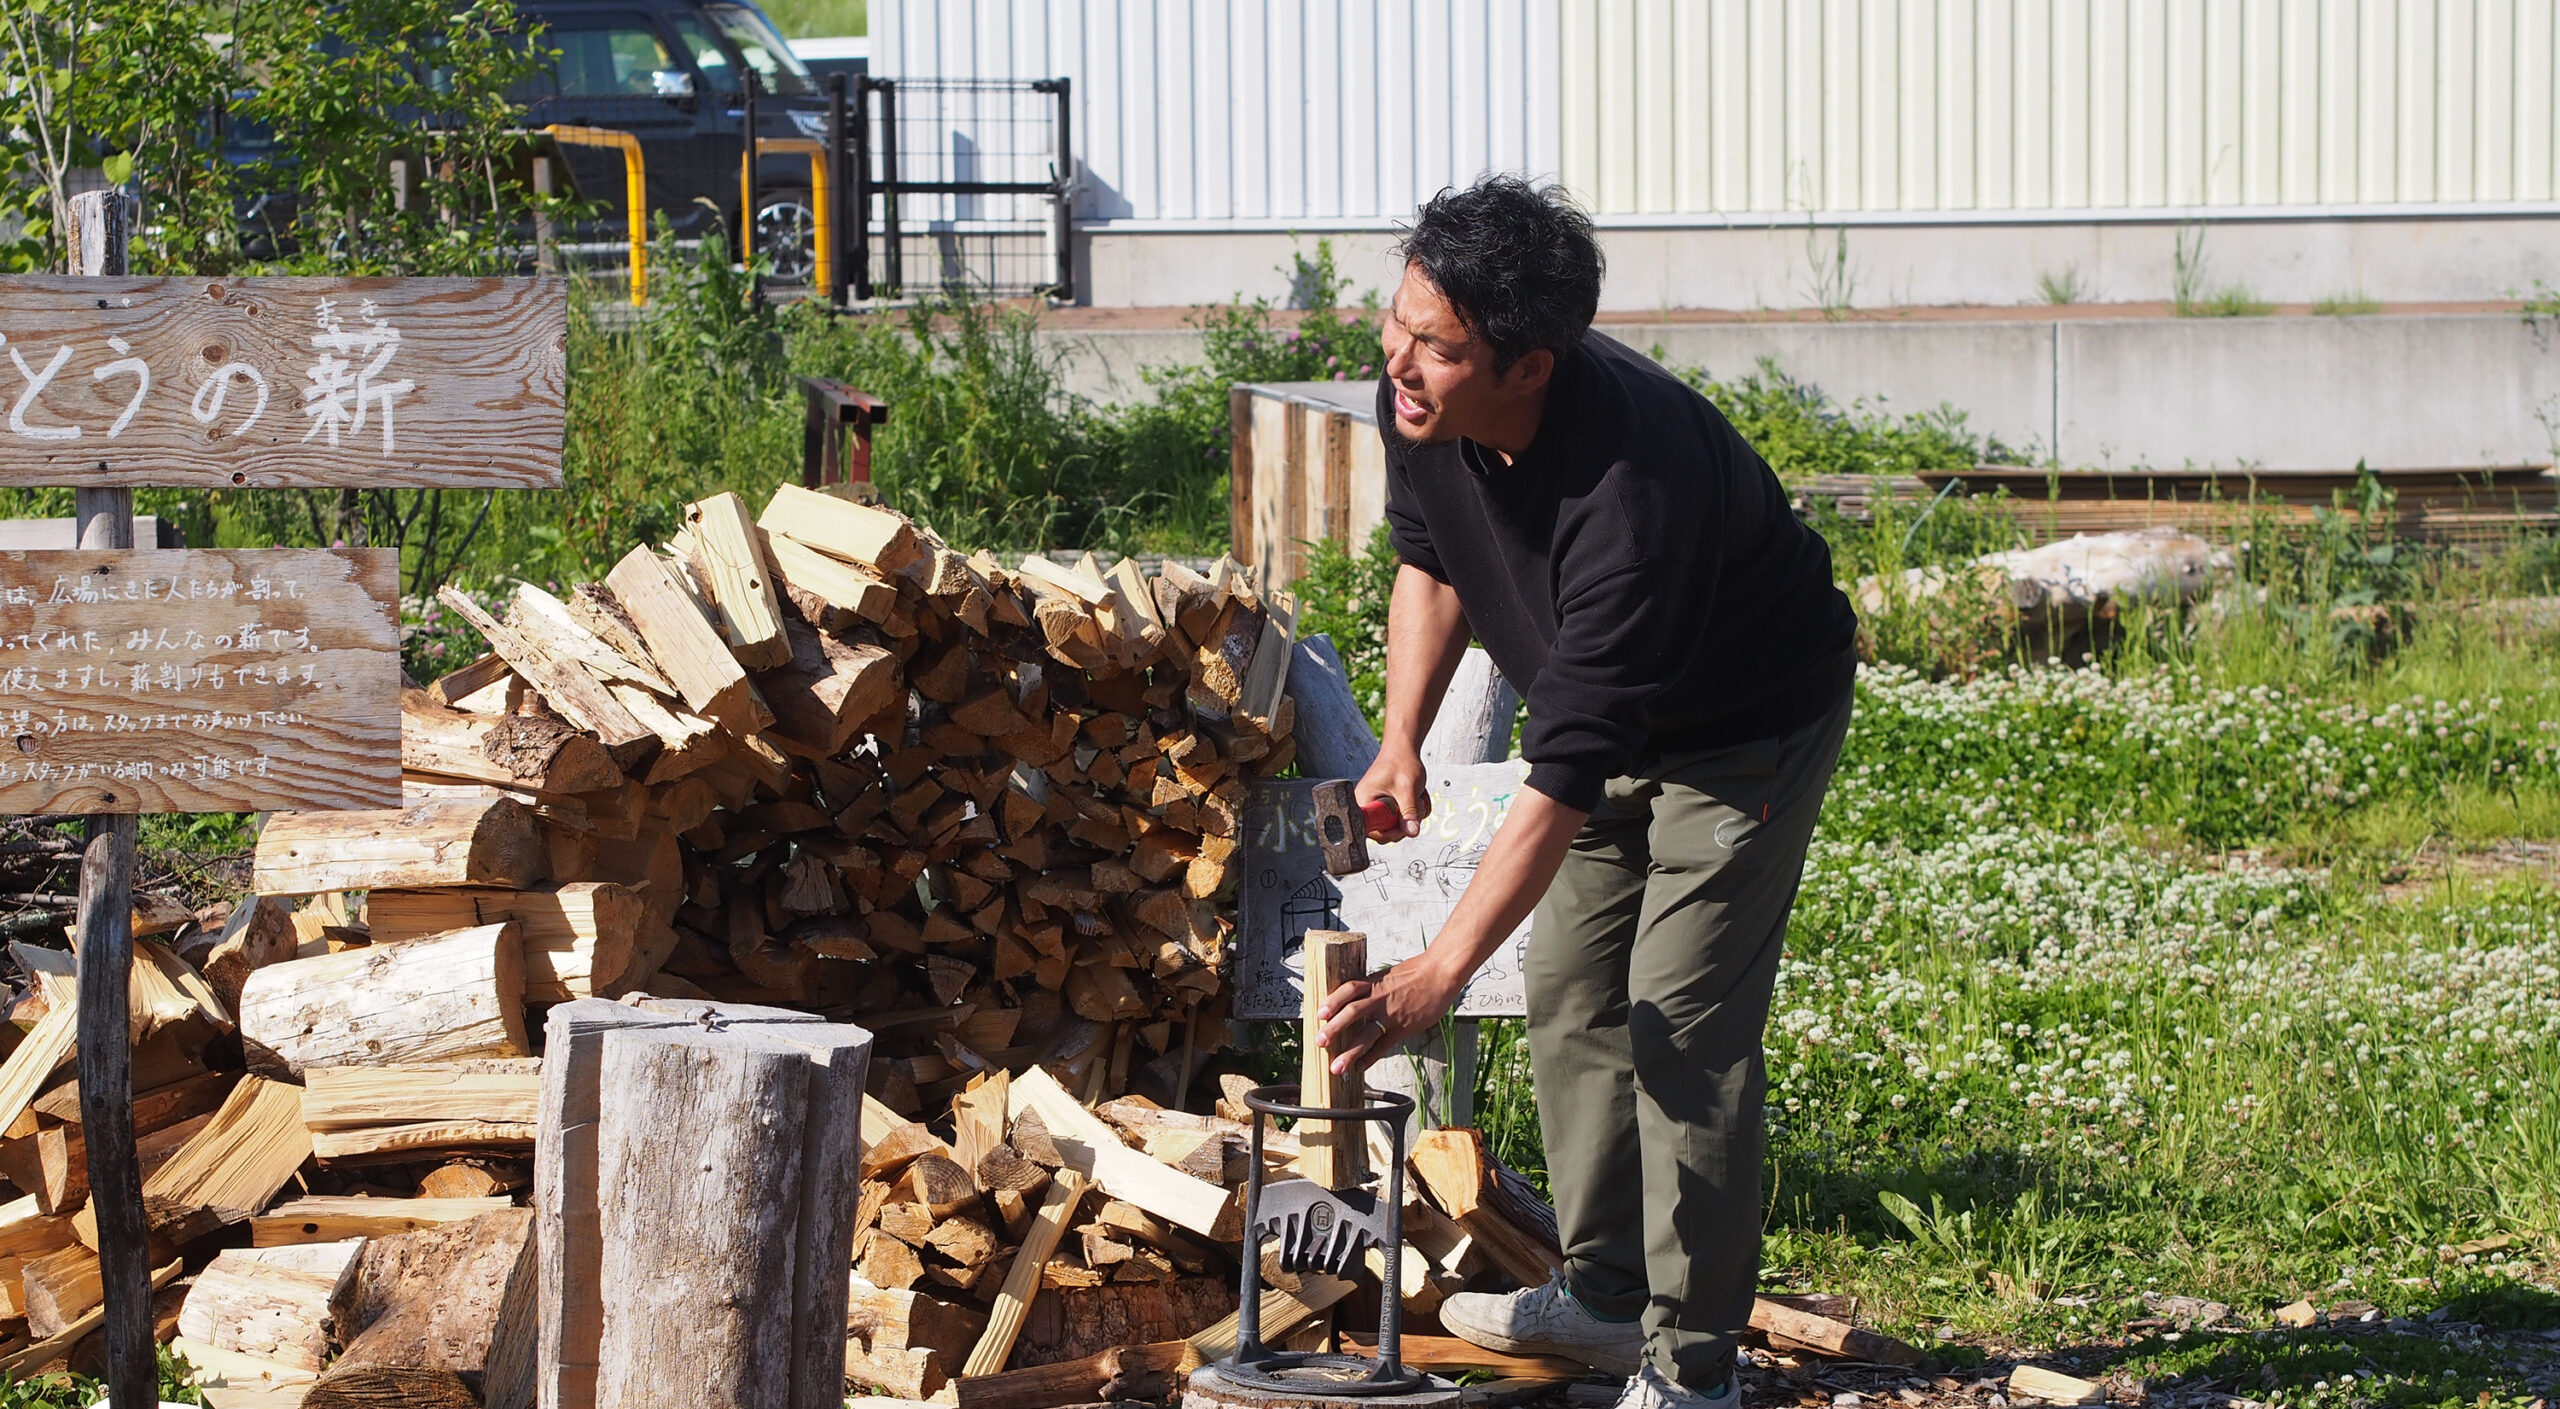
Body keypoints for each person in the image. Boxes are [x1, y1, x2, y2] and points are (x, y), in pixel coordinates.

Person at [1311, 176, 1859, 1409]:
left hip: (1741, 725)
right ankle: (1607, 1299)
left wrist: (1435, 973)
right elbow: (1431, 558)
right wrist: (1399, 738)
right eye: (1397, 324)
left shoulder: (1632, 491)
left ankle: (1693, 1363)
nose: (1399, 361)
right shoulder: (1422, 396)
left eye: (1436, 348)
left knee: (1680, 1020)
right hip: (1600, 703)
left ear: (1532, 365)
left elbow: (1556, 781)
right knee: (1569, 988)